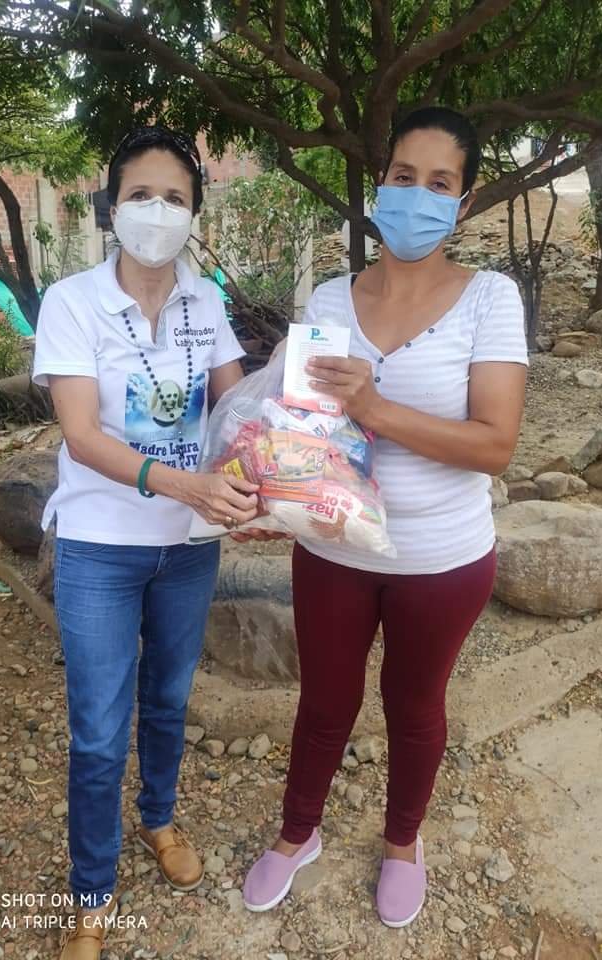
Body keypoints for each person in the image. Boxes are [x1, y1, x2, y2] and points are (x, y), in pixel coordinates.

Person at [242, 106, 529, 928]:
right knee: (323, 702)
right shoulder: (331, 297)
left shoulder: (489, 299)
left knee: (415, 706)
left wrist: (375, 407)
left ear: (462, 203)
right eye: (405, 176)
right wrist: (265, 477)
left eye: (440, 183)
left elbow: (495, 444)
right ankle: (298, 833)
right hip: (334, 547)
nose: (417, 196)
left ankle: (403, 842)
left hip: (443, 559)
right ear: (380, 185)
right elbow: (302, 427)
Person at [32, 126, 262, 960]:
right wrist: (188, 484)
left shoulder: (205, 301)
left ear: (194, 214)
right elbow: (83, 436)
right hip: (100, 544)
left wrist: (287, 440)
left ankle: (158, 819)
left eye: (175, 198)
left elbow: (236, 409)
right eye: (140, 195)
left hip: (188, 546)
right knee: (99, 729)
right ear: (110, 208)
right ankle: (92, 892)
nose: (156, 212)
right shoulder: (72, 302)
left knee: (168, 700)